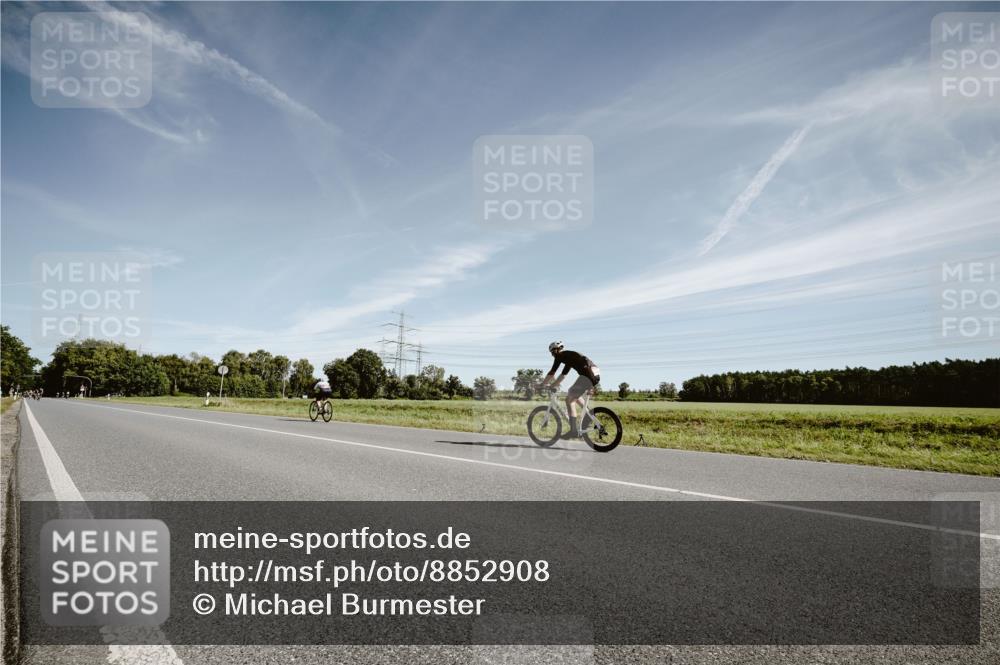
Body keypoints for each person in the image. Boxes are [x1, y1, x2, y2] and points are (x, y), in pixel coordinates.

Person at [539, 341, 600, 439]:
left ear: (557, 349)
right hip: (594, 374)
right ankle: (588, 416)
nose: (552, 355)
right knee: (572, 392)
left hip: (588, 375)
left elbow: (552, 372)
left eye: (553, 352)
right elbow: (563, 375)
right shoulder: (569, 357)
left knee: (569, 400)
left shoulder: (561, 356)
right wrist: (553, 385)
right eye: (551, 353)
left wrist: (542, 384)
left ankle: (573, 431)